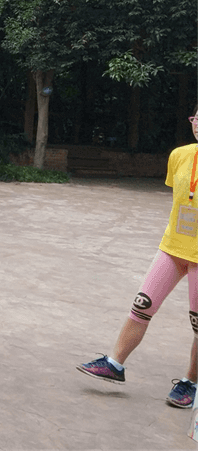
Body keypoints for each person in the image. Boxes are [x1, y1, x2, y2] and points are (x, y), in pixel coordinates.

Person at [76, 107, 198, 409]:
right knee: (142, 304)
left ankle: (191, 382)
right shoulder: (179, 155)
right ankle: (114, 364)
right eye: (197, 118)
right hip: (172, 248)